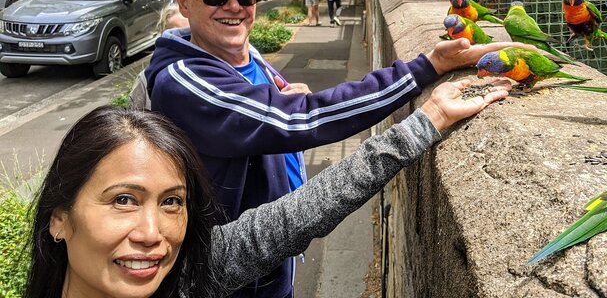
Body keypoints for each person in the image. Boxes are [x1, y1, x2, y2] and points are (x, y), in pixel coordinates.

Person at [144, 0, 533, 298]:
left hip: (269, 263)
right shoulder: (185, 80)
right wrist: (424, 71)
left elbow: (272, 106)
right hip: (234, 277)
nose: (233, 6)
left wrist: (279, 97)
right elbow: (302, 118)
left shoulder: (235, 52)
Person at [26, 78, 511, 298]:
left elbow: (305, 210)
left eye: (172, 201)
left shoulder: (193, 273)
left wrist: (431, 118)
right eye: (124, 200)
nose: (152, 233)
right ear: (59, 218)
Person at [129, 1, 189, 111]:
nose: (184, 39)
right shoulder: (146, 78)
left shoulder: (216, 69)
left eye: (188, 31)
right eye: (177, 34)